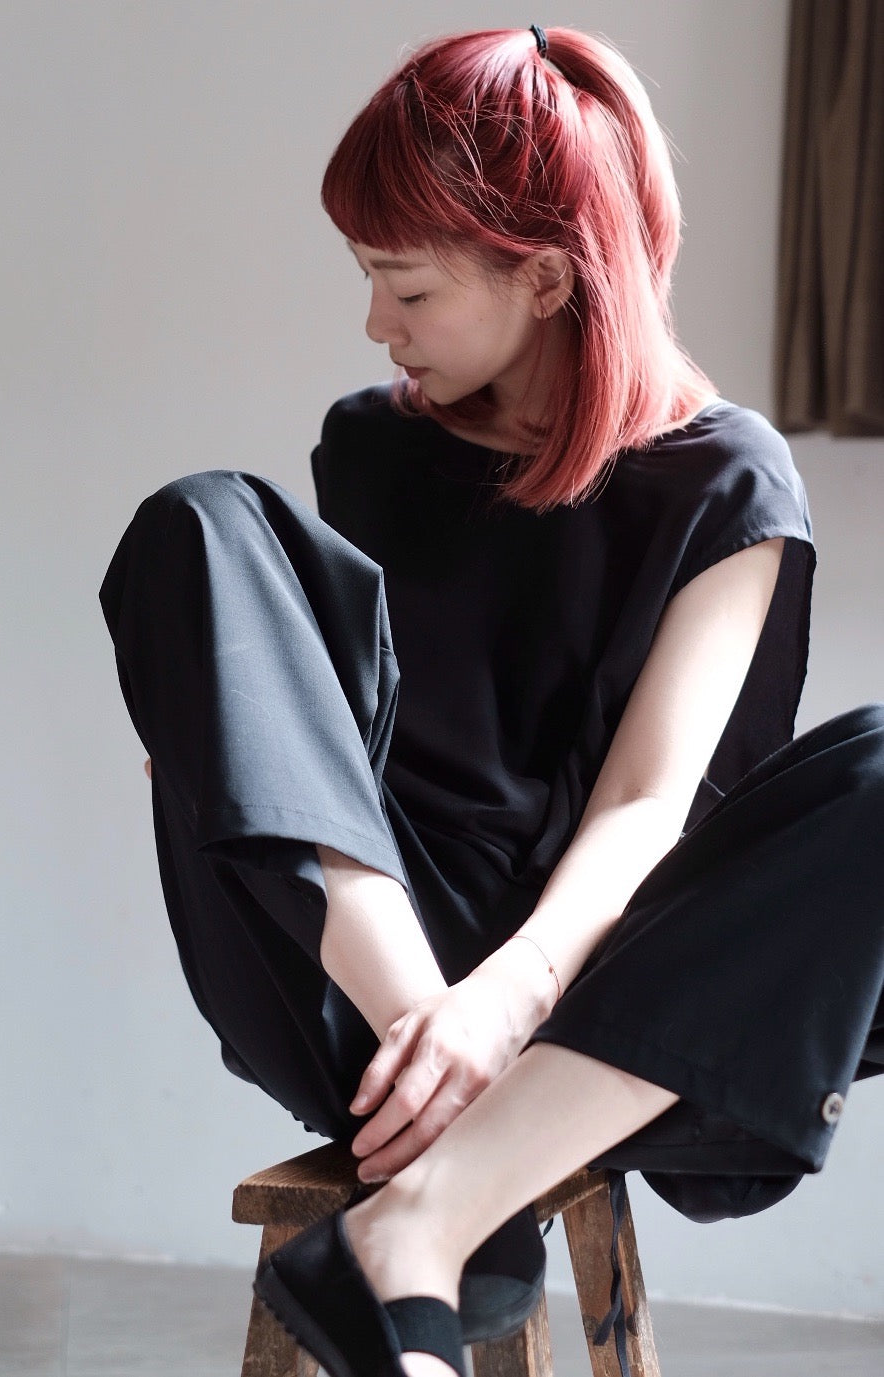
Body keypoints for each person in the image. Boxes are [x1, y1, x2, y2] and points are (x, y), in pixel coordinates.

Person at [100, 24, 884, 1377]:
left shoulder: (726, 481)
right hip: (366, 979)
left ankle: (427, 1213)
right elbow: (330, 753)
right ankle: (443, 1152)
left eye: (405, 286)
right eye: (367, 279)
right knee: (202, 523)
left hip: (601, 1015)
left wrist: (500, 1009)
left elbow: (644, 806)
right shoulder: (371, 444)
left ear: (544, 277)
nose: (375, 324)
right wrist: (436, 1021)